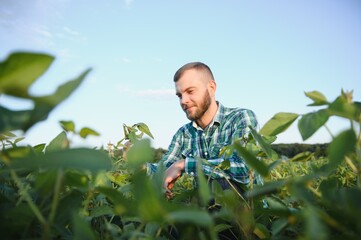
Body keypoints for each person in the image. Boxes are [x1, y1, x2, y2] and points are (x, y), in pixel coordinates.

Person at [147, 62, 262, 196]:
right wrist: (140, 167)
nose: (183, 101)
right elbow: (164, 169)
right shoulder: (184, 134)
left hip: (249, 208)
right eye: (179, 95)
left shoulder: (241, 118)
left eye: (190, 91)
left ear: (211, 88)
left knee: (219, 183)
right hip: (207, 208)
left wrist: (184, 164)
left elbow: (245, 170)